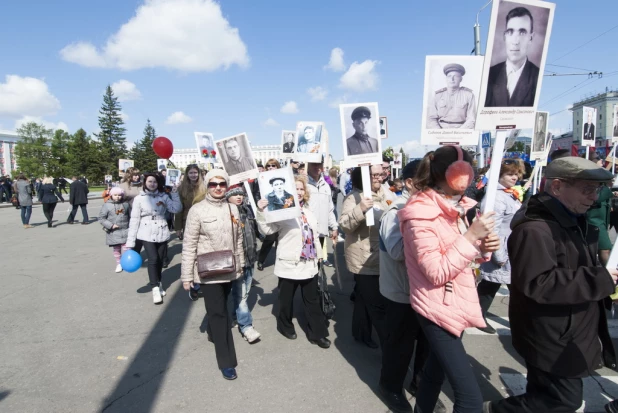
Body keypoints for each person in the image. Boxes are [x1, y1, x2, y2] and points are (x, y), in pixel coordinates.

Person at [485, 157, 617, 413]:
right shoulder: (535, 229)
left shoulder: (574, 219)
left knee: (546, 395)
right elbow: (539, 283)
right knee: (562, 400)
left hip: (567, 328)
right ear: (557, 187)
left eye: (598, 189)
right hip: (552, 333)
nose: (594, 196)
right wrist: (601, 279)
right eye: (587, 189)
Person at [399, 145, 500, 413]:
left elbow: (466, 257)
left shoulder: (460, 206)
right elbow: (437, 271)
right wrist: (470, 237)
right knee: (470, 401)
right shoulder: (419, 213)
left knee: (435, 371)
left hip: (455, 299)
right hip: (436, 306)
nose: (465, 183)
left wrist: (484, 246)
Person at [378, 159, 446, 413]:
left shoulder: (432, 208)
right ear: (409, 183)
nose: (433, 188)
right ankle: (390, 387)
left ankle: (420, 385)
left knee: (428, 345)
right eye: (426, 182)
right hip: (401, 293)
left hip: (428, 292)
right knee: (400, 346)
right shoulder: (395, 212)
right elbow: (396, 252)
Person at [181, 169, 244, 380]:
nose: (218, 187)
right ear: (207, 186)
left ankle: (211, 330)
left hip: (229, 268)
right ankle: (227, 361)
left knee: (219, 308)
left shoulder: (233, 208)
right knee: (220, 314)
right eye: (213, 184)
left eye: (222, 184)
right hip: (208, 272)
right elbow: (189, 245)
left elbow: (239, 240)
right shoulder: (197, 211)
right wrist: (186, 277)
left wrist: (241, 264)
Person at [256, 175, 330, 349]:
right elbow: (267, 229)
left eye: (301, 189)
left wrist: (319, 256)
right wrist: (261, 211)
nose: (298, 191)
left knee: (312, 300)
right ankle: (285, 325)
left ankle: (317, 333)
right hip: (289, 263)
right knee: (285, 300)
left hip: (309, 263)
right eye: (295, 188)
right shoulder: (282, 210)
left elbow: (314, 235)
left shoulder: (309, 212)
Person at [339, 164, 390, 348]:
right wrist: (359, 208)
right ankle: (389, 344)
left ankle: (361, 333)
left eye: (380, 174)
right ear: (363, 178)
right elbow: (344, 225)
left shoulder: (385, 193)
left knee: (362, 298)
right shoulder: (353, 197)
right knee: (376, 304)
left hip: (381, 256)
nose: (379, 178)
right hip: (364, 258)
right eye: (374, 175)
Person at [476, 159, 524, 334]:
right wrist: (499, 255)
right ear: (499, 175)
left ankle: (479, 315)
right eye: (510, 174)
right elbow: (492, 228)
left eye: (517, 174)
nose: (515, 177)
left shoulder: (507, 193)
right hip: (500, 248)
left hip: (509, 248)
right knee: (490, 286)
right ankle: (478, 317)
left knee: (493, 286)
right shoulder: (496, 197)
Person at [126, 172, 182, 304]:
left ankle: (158, 282)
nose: (152, 184)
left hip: (162, 230)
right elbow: (134, 220)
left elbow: (176, 208)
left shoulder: (163, 196)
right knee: (153, 258)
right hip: (146, 231)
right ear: (145, 182)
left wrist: (174, 192)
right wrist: (130, 241)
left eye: (155, 182)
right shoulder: (139, 199)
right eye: (150, 181)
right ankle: (155, 287)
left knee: (160, 259)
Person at [226, 185, 261, 343]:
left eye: (241, 194)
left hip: (250, 257)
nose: (239, 197)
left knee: (243, 293)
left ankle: (235, 316)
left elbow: (258, 231)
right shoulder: (226, 213)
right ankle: (246, 326)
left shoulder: (248, 210)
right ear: (228, 197)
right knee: (241, 295)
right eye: (235, 194)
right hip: (236, 260)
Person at [485, 6, 540, 107]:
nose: (515, 41)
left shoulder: (537, 77)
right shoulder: (489, 75)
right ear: (504, 36)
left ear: (531, 38)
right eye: (510, 32)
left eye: (522, 32)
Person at [307, 161, 339, 267]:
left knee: (319, 265)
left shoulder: (325, 185)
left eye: (319, 164)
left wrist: (334, 227)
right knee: (309, 266)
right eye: (313, 164)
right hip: (307, 234)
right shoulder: (303, 185)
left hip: (321, 232)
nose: (317, 167)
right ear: (308, 165)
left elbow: (330, 209)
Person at [585, 152, 614, 266]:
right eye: (598, 159)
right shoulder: (590, 178)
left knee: (601, 248)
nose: (601, 161)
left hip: (600, 219)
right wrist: (609, 187)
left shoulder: (598, 176)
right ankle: (608, 273)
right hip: (593, 219)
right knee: (605, 248)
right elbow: (595, 198)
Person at [427, 63, 476, 129]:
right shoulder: (438, 96)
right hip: (440, 130)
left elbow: (471, 119)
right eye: (449, 76)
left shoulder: (468, 95)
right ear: (446, 79)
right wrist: (439, 132)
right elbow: (431, 118)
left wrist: (459, 133)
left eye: (455, 76)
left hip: (462, 130)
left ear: (461, 79)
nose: (452, 79)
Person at [98, 187, 131, 273]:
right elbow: (101, 218)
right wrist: (111, 225)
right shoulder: (107, 205)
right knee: (116, 249)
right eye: (115, 195)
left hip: (125, 230)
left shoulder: (126, 204)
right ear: (111, 195)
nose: (117, 197)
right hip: (113, 232)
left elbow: (130, 216)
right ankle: (119, 264)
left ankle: (126, 263)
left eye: (119, 195)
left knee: (127, 249)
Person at [256, 159, 281, 271]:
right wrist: (260, 203)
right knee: (269, 238)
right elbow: (256, 193)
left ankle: (280, 261)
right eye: (269, 166)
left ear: (277, 167)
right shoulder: (261, 179)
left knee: (281, 240)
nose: (271, 167)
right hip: (268, 211)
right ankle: (261, 260)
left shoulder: (282, 177)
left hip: (281, 212)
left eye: (273, 165)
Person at [174, 164, 206, 240]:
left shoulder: (205, 187)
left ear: (198, 174)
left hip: (203, 220)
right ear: (187, 175)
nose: (193, 175)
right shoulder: (181, 189)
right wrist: (178, 227)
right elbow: (179, 209)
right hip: (188, 221)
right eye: (191, 173)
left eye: (195, 173)